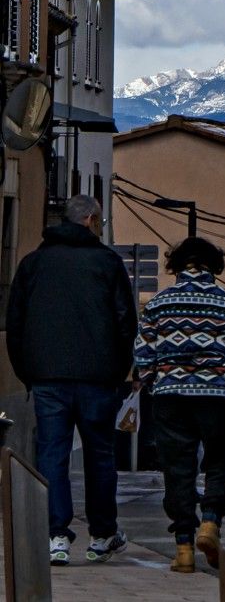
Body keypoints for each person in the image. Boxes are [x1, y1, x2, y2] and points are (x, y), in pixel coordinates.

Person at [6, 195, 136, 566]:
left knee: (51, 454)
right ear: (92, 219)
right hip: (98, 378)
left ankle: (56, 536)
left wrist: (27, 372)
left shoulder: (34, 264)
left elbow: (15, 322)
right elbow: (126, 323)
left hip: (47, 377)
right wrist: (117, 371)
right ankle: (102, 534)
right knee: (100, 456)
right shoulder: (108, 263)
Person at [134, 237, 225, 573]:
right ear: (215, 266)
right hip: (219, 397)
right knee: (219, 461)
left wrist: (156, 382)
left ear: (175, 266)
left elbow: (143, 355)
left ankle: (184, 547)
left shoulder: (158, 305)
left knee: (178, 468)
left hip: (170, 396)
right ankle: (211, 522)